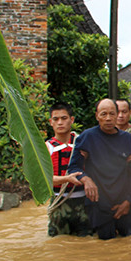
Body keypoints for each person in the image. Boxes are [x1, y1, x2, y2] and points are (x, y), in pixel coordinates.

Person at [68, 98, 131, 240]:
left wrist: (128, 201)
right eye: (103, 114)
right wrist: (86, 179)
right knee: (105, 245)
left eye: (111, 114)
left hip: (124, 201)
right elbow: (73, 168)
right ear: (97, 116)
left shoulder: (127, 140)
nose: (108, 118)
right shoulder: (86, 138)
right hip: (98, 202)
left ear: (116, 115)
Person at [46, 102, 91, 237]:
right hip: (59, 203)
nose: (60, 123)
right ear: (50, 122)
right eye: (56, 119)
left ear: (71, 120)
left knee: (87, 242)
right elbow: (45, 180)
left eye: (64, 118)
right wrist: (66, 179)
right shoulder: (46, 148)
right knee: (57, 244)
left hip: (83, 203)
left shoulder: (84, 144)